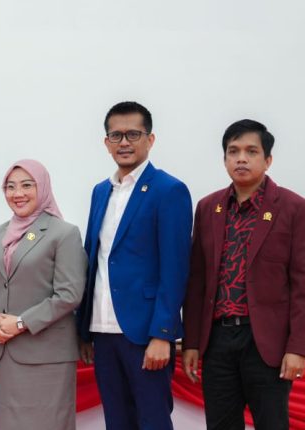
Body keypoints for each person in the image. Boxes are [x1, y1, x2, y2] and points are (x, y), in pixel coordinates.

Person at [182, 119, 305, 429]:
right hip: (217, 341)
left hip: (266, 343)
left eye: (251, 151)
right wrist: (191, 342)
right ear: (224, 159)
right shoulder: (208, 208)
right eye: (233, 151)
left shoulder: (294, 208)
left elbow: (304, 285)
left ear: (268, 160)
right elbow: (197, 282)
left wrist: (298, 348)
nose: (241, 159)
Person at [76, 101, 193, 429]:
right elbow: (93, 260)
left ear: (150, 139)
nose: (124, 142)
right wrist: (84, 328)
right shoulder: (100, 192)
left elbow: (175, 269)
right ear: (106, 142)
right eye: (116, 135)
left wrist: (162, 334)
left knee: (152, 421)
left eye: (133, 134)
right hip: (102, 331)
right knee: (117, 422)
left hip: (144, 333)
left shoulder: (169, 190)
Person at [0, 159, 87, 430]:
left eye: (26, 185)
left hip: (45, 358)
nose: (17, 193)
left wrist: (21, 322)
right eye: (10, 187)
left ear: (42, 187)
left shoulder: (63, 233)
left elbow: (69, 294)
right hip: (1, 355)